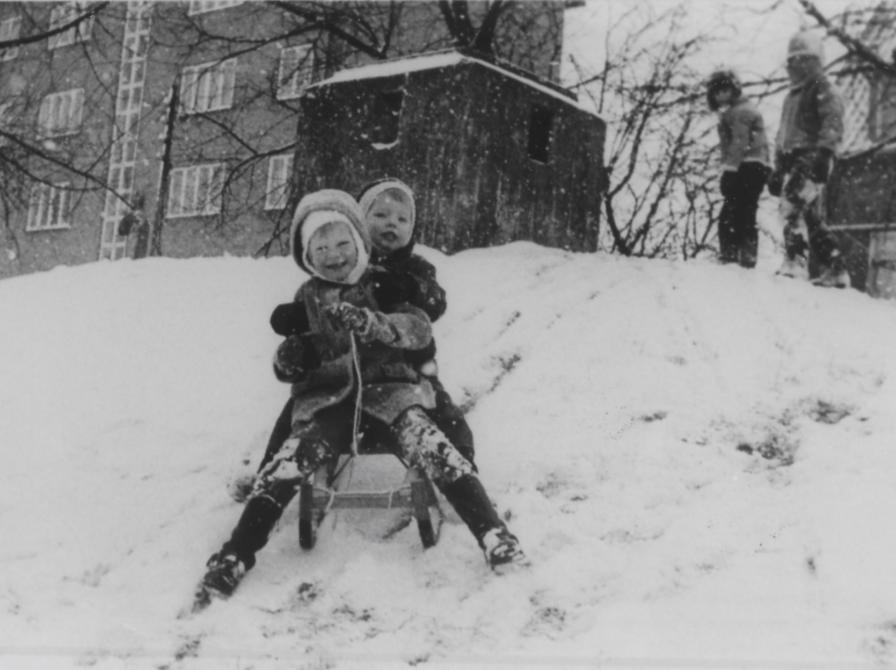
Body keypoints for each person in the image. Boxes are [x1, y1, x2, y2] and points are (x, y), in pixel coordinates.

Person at [201, 189, 525, 599]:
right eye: (320, 247)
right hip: (330, 405)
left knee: (434, 444)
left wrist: (376, 324)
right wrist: (292, 358)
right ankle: (235, 554)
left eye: (343, 243)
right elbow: (294, 362)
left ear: (359, 241)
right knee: (290, 461)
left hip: (393, 396)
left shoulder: (383, 283)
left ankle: (493, 533)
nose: (333, 255)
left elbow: (418, 328)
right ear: (306, 254)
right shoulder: (307, 297)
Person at [242, 179, 475, 501]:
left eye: (402, 219)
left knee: (444, 410)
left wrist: (410, 288)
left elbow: (435, 304)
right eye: (380, 215)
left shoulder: (416, 267)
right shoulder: (342, 256)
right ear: (358, 221)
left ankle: (464, 467)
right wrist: (298, 317)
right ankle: (266, 473)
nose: (391, 224)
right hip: (342, 371)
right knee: (295, 412)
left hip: (403, 368)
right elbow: (317, 299)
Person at [767, 29, 850, 288]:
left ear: (814, 61)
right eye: (792, 61)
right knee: (810, 215)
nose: (794, 66)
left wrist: (825, 153)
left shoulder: (821, 88)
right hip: (794, 157)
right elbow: (783, 135)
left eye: (801, 60)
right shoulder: (792, 97)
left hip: (812, 154)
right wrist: (778, 168)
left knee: (792, 203)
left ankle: (795, 261)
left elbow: (832, 121)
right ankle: (835, 266)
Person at [706, 69, 771, 268]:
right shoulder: (741, 110)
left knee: (732, 211)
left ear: (733, 90)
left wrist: (730, 170)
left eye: (724, 90)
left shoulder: (740, 112)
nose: (720, 96)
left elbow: (739, 142)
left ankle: (730, 253)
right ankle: (746, 255)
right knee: (746, 210)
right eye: (716, 93)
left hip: (746, 166)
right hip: (756, 165)